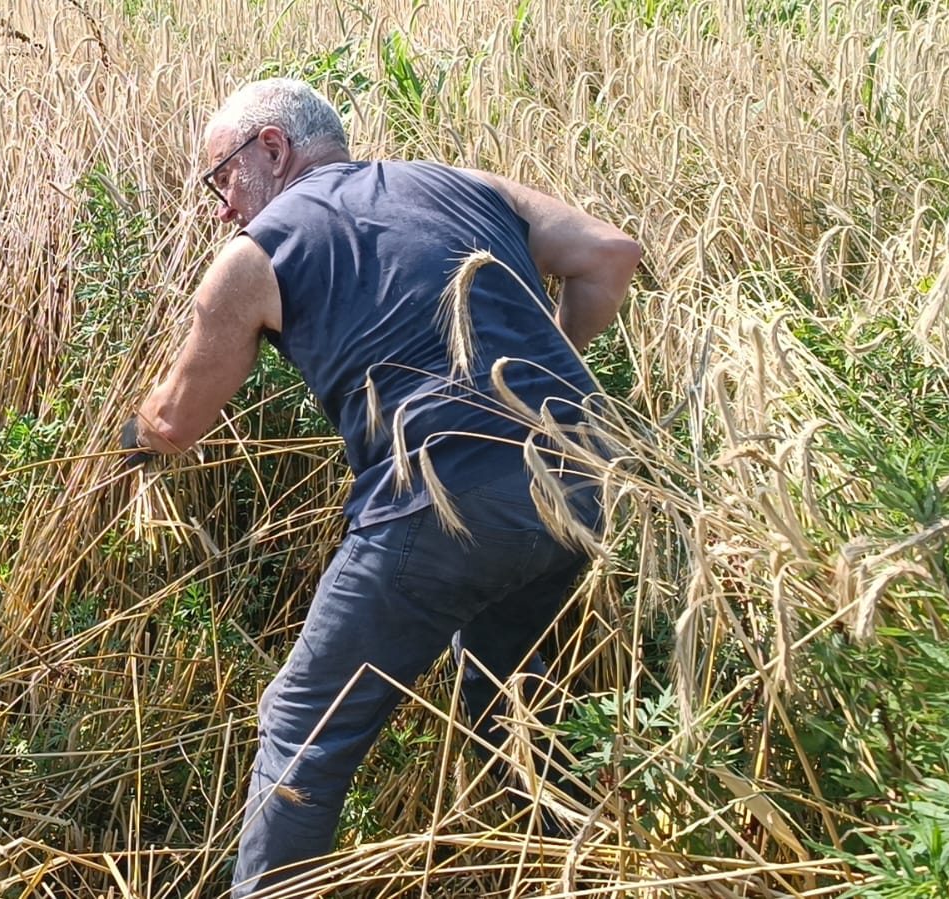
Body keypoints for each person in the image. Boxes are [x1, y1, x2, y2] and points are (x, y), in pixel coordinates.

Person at [125, 78, 642, 894]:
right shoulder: (467, 185)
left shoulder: (255, 257)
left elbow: (173, 423)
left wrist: (122, 444)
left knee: (304, 727)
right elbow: (609, 255)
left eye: (219, 179)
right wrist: (532, 391)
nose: (221, 209)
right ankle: (594, 875)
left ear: (270, 147)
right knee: (511, 698)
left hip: (437, 504)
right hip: (578, 478)